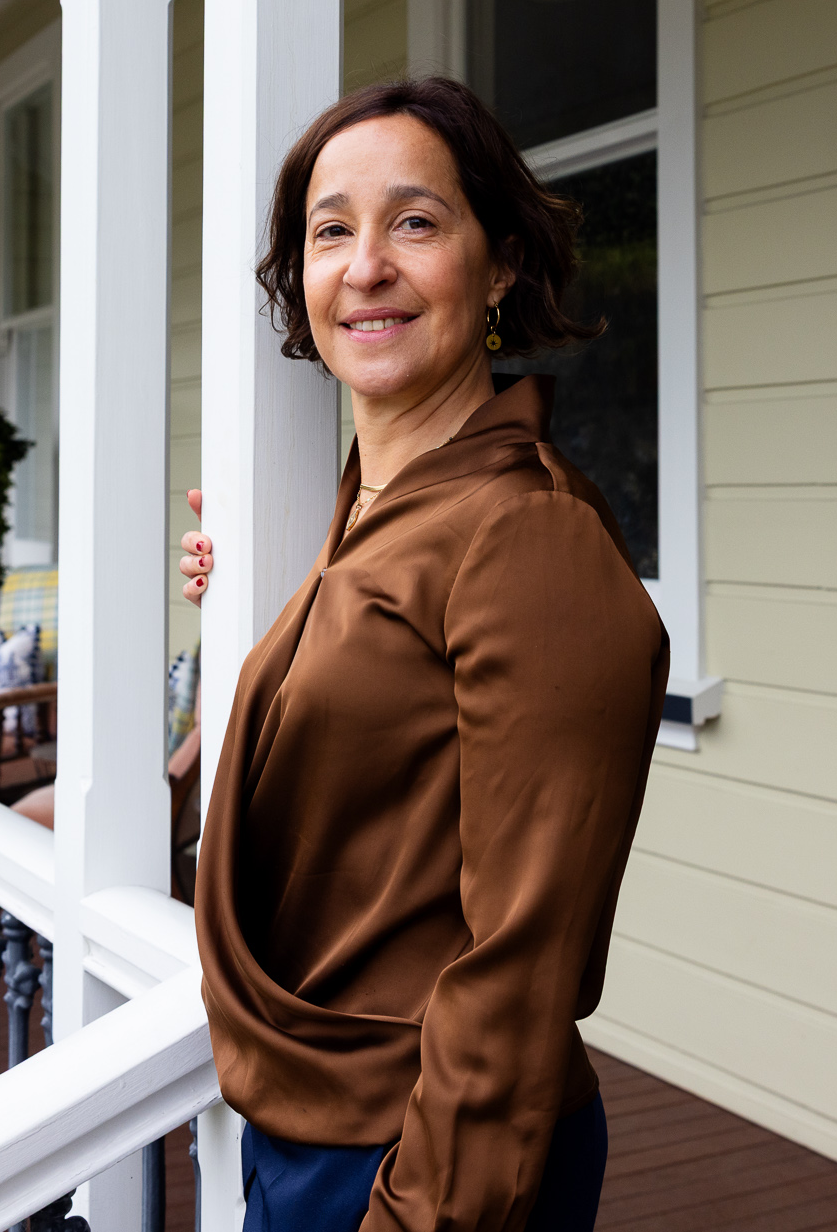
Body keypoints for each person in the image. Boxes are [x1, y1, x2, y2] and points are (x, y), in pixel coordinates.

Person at [180, 78, 669, 1232]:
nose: (366, 266)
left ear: (499, 266)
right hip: (309, 1118)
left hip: (427, 1148)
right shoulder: (369, 509)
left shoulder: (528, 534)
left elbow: (522, 965)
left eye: (414, 221)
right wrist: (243, 635)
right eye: (331, 231)